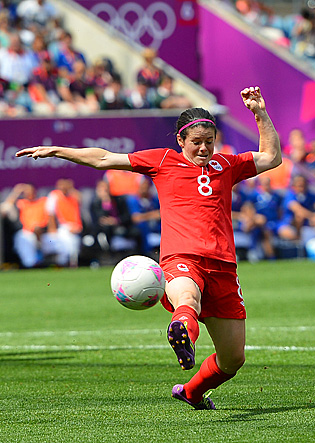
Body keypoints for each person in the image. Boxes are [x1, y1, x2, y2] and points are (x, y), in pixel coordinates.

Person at [16, 86, 282, 410]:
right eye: (196, 143)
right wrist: (58, 150)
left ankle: (191, 391)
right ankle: (182, 334)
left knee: (233, 359)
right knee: (188, 298)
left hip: (224, 266)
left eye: (208, 142)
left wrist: (259, 113)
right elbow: (103, 158)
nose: (203, 149)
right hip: (181, 258)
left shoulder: (227, 164)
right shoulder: (163, 160)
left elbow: (271, 157)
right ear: (181, 141)